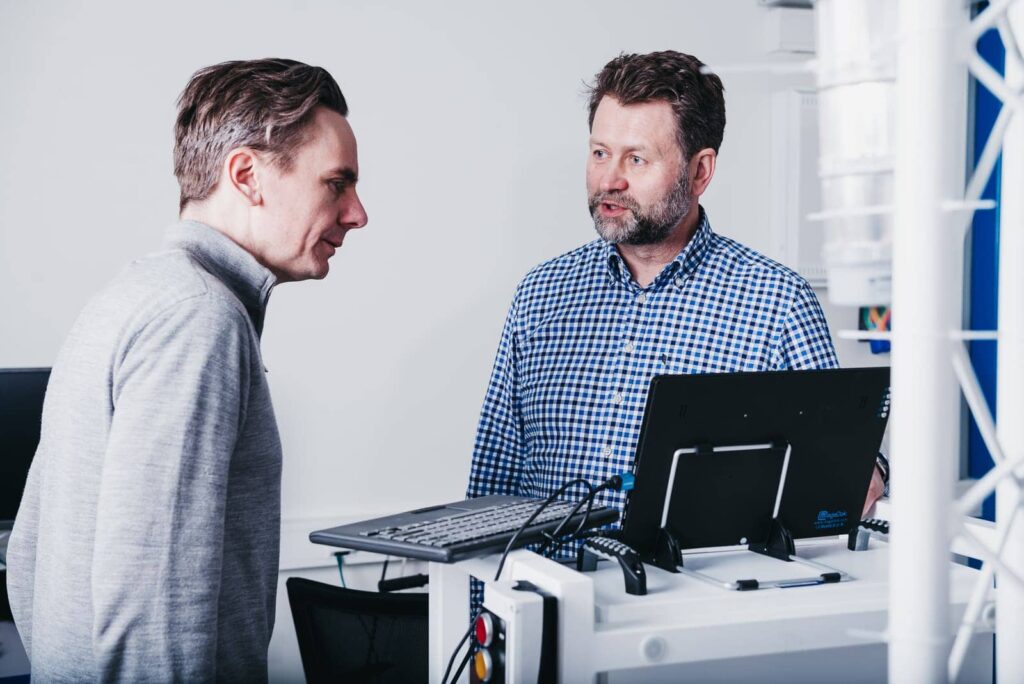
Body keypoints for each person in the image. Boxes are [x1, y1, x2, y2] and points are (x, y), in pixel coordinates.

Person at [6, 58, 368, 681]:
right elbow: (156, 609)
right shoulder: (199, 320)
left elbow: (27, 553)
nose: (358, 213)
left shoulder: (132, 296)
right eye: (336, 183)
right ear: (248, 175)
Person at [467, 50, 885, 530]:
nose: (609, 179)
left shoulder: (776, 303)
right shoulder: (541, 295)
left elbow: (845, 461)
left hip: (694, 599)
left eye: (637, 158)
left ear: (700, 172)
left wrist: (871, 469)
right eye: (600, 152)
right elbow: (491, 484)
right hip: (545, 600)